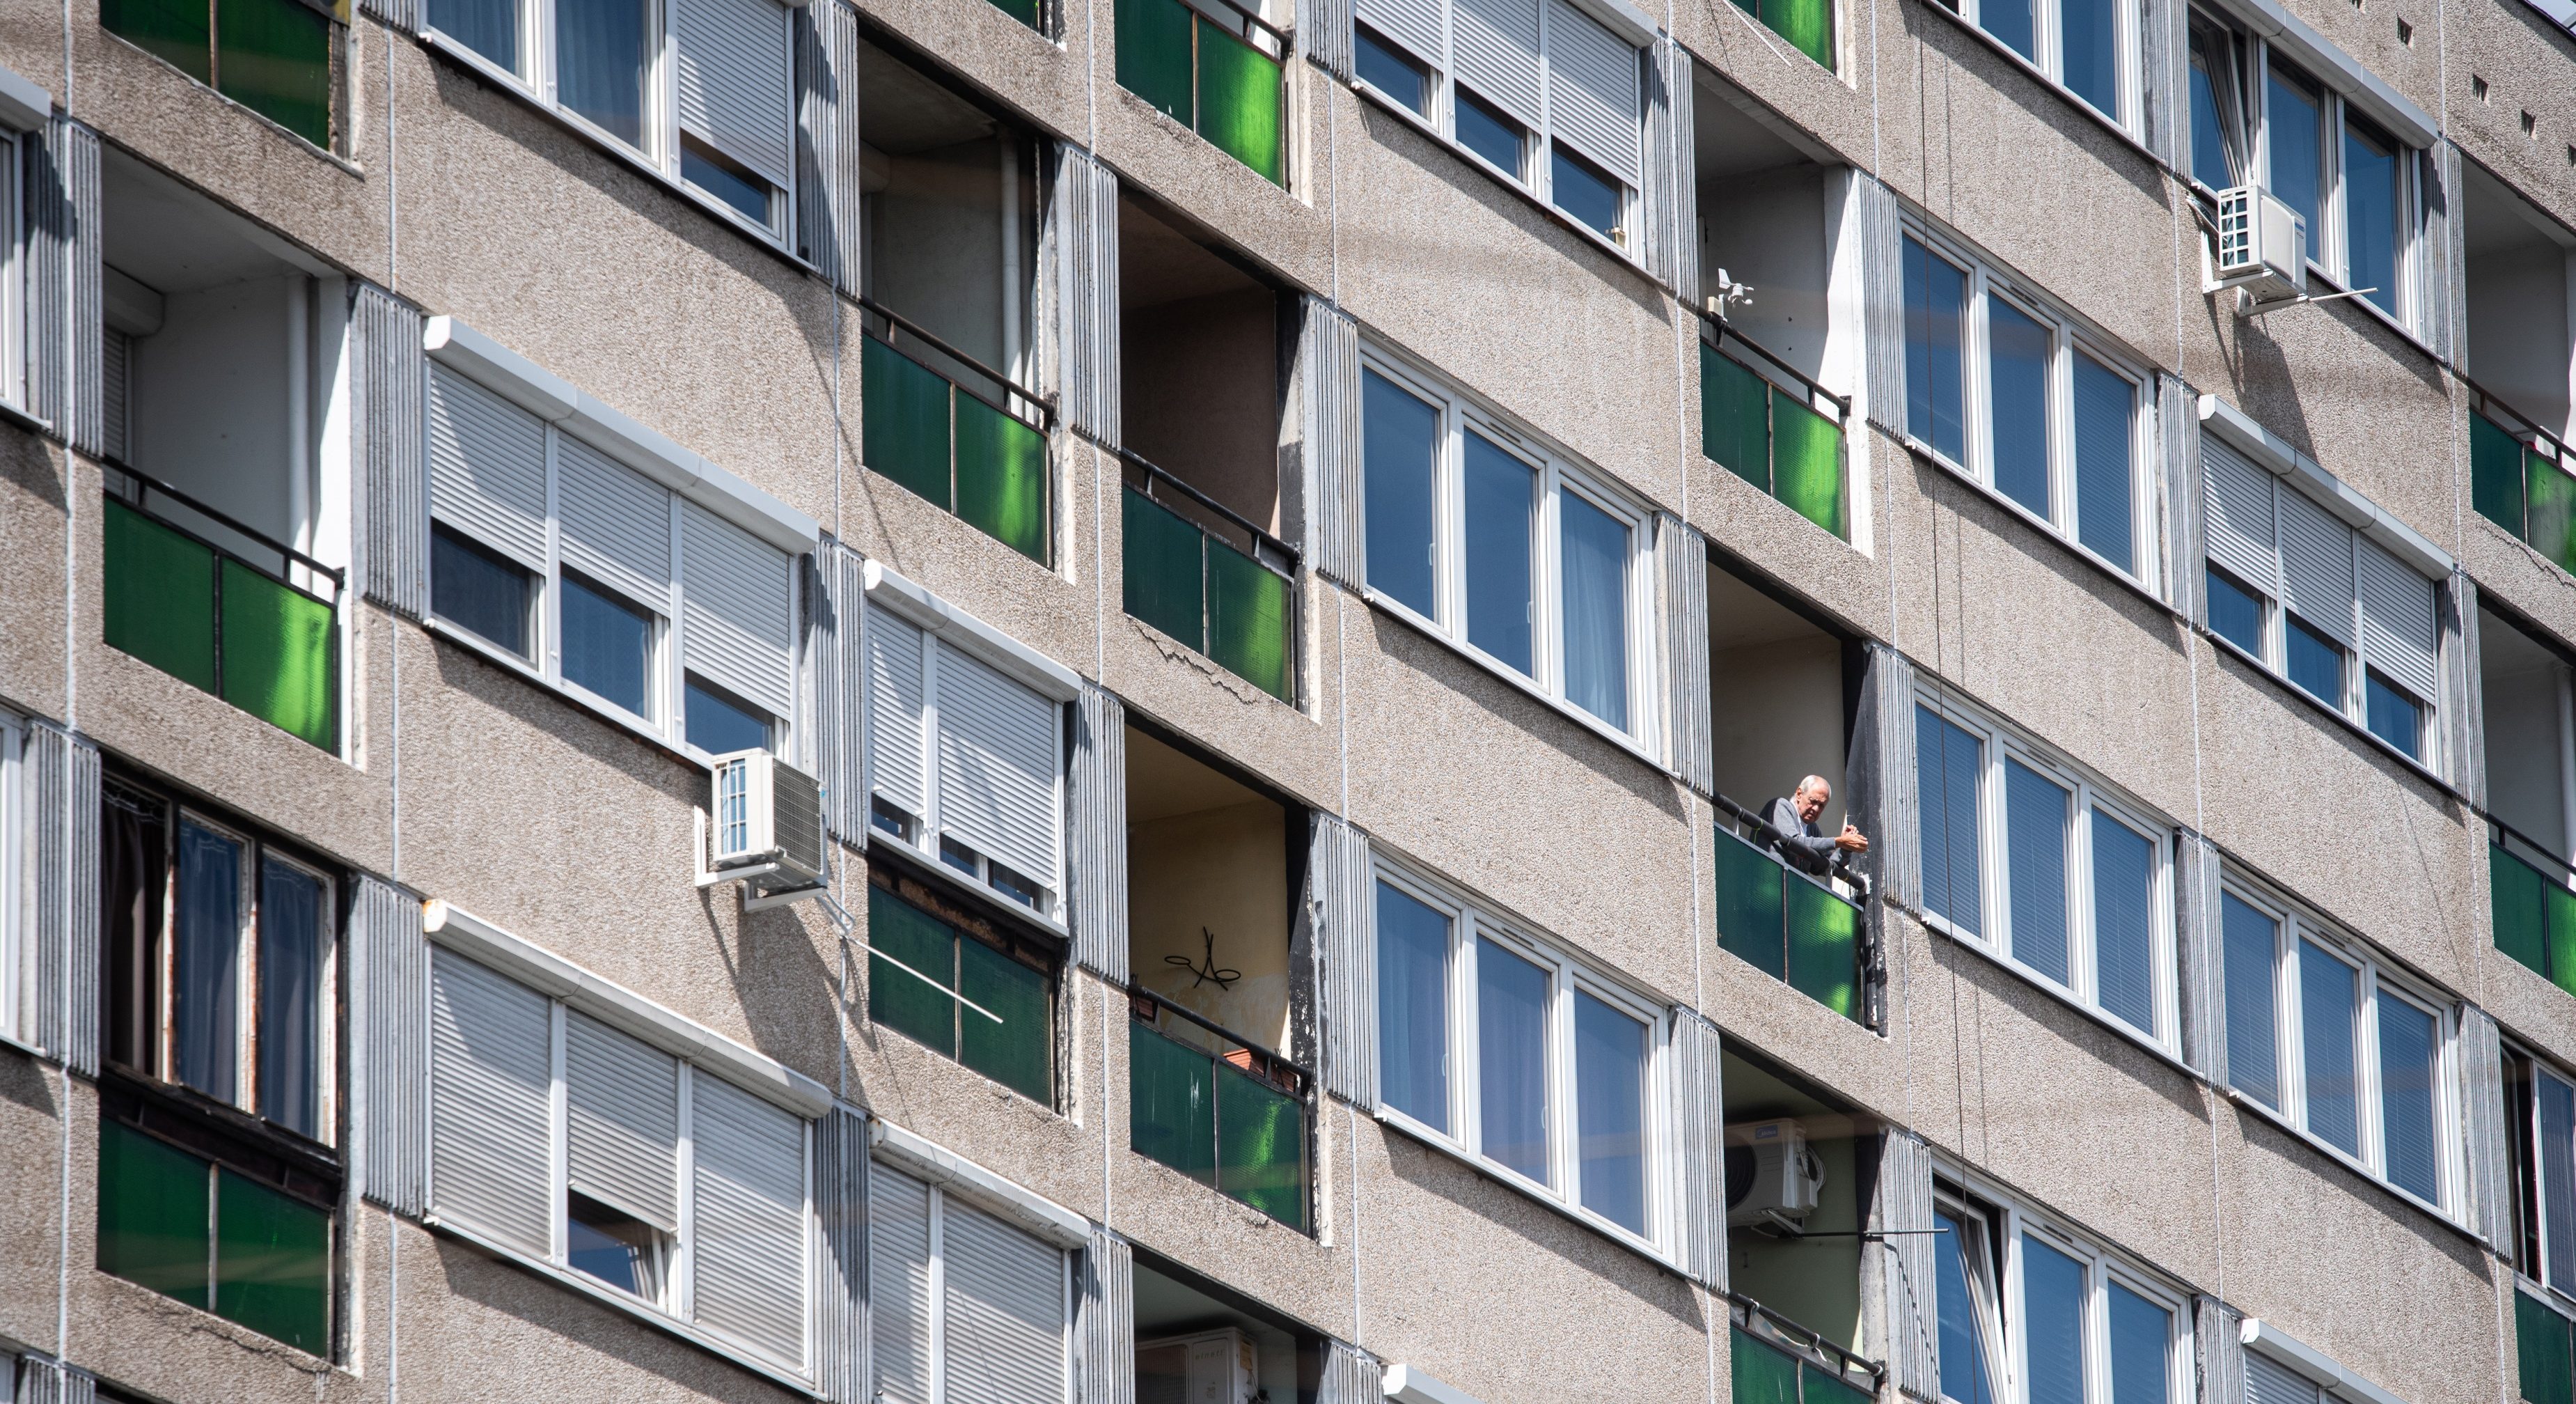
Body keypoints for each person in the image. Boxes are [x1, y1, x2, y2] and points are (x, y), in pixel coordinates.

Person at [1764, 775, 1868, 876]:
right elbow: (1793, 843)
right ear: (1799, 794)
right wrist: (1838, 842)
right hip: (1767, 880)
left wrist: (1846, 848)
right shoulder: (1780, 806)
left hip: (1792, 888)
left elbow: (1824, 867)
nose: (1816, 809)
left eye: (1821, 805)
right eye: (1813, 801)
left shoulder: (1812, 829)